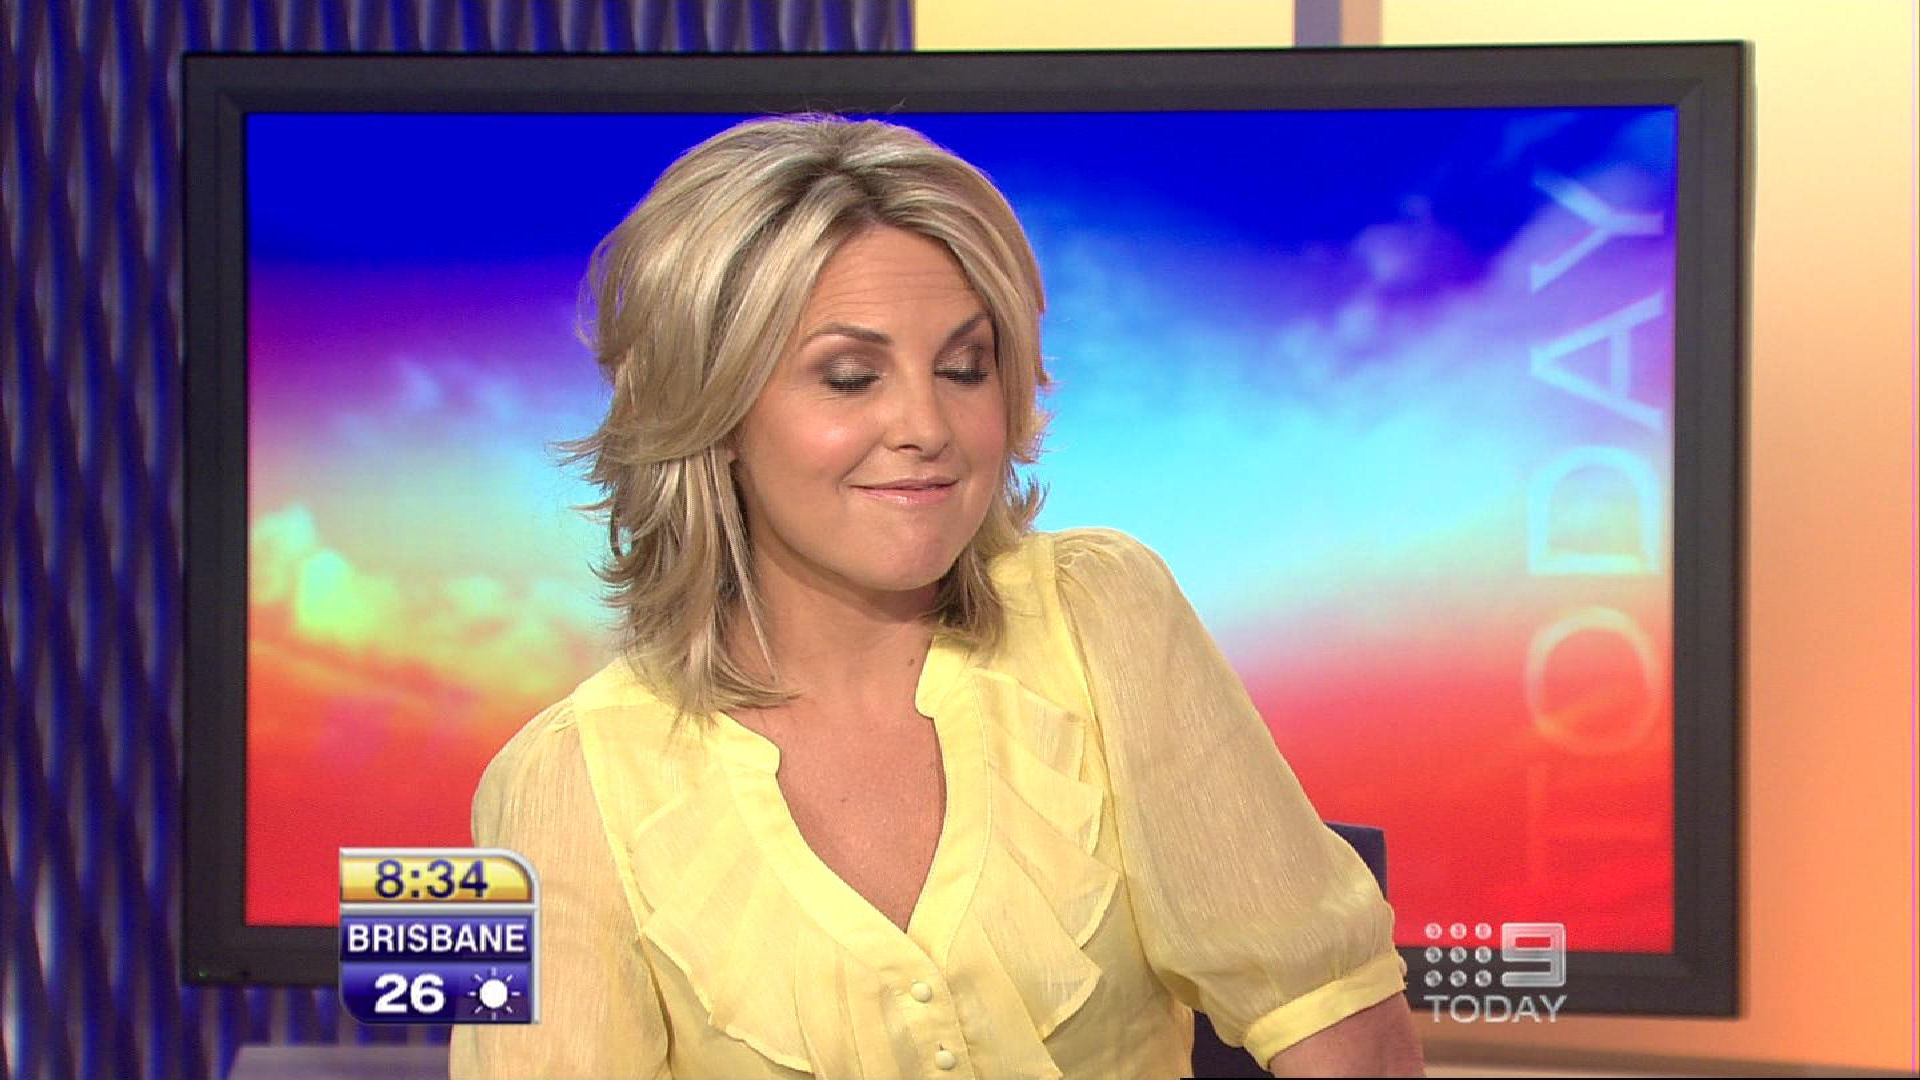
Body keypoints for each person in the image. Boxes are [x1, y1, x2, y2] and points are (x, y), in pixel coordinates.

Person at [449, 114, 1423, 1079]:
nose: (927, 424)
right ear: (714, 412)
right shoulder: (561, 786)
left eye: (965, 368)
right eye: (849, 377)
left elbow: (1346, 1036)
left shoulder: (1103, 616)